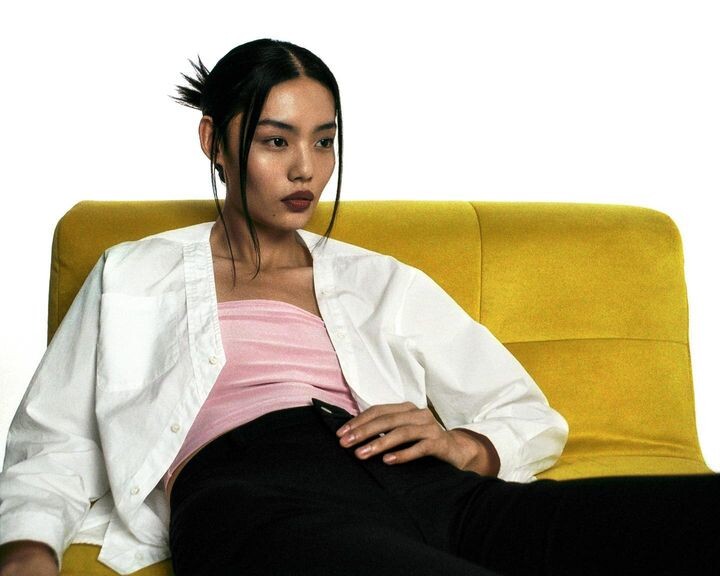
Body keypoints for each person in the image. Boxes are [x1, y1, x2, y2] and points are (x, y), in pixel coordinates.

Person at [0, 38, 717, 576]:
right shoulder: (132, 273)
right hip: (255, 495)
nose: (306, 169)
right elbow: (52, 440)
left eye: (324, 142)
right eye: (275, 141)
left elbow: (522, 411)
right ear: (214, 141)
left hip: (417, 480)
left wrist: (464, 447)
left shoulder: (379, 281)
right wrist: (28, 549)